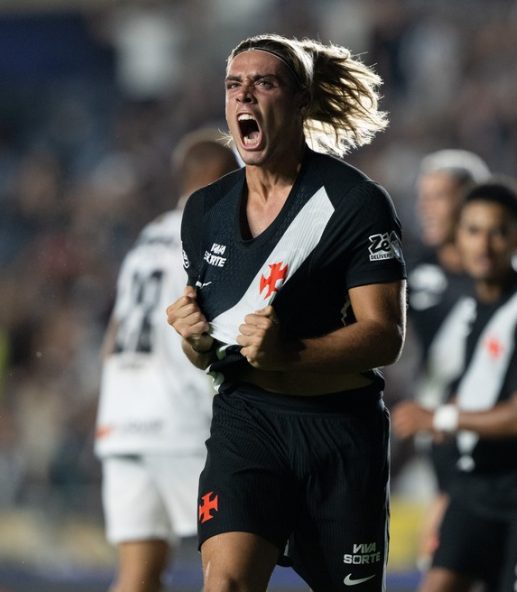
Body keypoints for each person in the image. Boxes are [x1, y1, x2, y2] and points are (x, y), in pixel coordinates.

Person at [165, 34, 405, 591]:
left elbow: (384, 335)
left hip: (340, 432)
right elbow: (209, 347)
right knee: (224, 585)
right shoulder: (203, 211)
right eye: (233, 85)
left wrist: (291, 353)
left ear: (300, 102)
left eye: (263, 83)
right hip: (247, 422)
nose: (243, 94)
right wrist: (193, 339)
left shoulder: (356, 203)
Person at [393, 179, 517, 592]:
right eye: (474, 231)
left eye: (498, 232)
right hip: (478, 485)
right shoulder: (474, 302)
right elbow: (483, 388)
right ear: (458, 237)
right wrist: (449, 489)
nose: (484, 245)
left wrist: (439, 416)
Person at [94, 129, 238, 592]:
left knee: (137, 575)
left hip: (121, 419)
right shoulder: (211, 232)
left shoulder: (147, 237)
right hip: (181, 421)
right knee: (229, 567)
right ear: (222, 178)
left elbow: (112, 337)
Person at [404, 149, 490, 569]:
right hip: (439, 442)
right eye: (423, 196)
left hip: (501, 441)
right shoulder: (410, 270)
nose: (425, 207)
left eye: (438, 196)